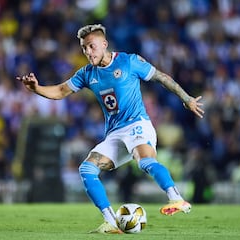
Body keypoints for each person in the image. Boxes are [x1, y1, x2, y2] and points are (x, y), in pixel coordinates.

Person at [17, 24, 204, 234]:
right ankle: (111, 221)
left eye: (91, 46)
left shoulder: (129, 61)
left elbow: (161, 77)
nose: (88, 52)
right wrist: (37, 88)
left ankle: (176, 199)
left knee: (145, 162)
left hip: (137, 125)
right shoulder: (87, 73)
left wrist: (187, 99)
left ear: (104, 44)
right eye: (84, 48)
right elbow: (61, 90)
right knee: (86, 169)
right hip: (115, 134)